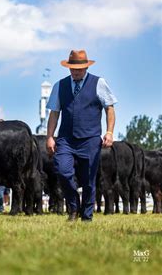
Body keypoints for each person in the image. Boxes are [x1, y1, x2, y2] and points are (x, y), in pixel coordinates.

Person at [46, 50, 117, 222]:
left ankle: (86, 216)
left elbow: (110, 108)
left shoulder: (99, 83)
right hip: (66, 139)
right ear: (69, 67)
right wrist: (50, 136)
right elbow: (54, 113)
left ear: (86, 66)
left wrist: (109, 132)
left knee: (89, 180)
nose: (76, 72)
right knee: (62, 171)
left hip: (90, 139)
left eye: (79, 68)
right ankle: (73, 206)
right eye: (73, 68)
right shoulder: (59, 85)